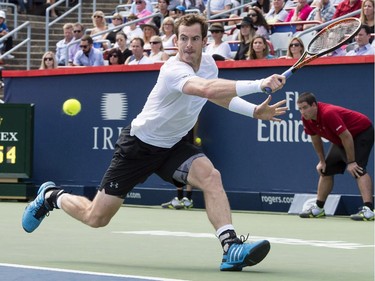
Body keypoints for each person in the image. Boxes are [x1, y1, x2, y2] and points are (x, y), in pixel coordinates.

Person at [22, 14, 287, 272]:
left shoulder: (208, 66)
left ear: (204, 41)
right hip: (139, 146)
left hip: (173, 145)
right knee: (96, 217)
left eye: (194, 39)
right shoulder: (172, 68)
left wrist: (253, 111)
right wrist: (260, 83)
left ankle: (230, 247)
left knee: (211, 176)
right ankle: (51, 197)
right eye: (183, 38)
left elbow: (216, 97)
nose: (187, 45)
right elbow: (206, 89)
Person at [297, 92, 374, 221]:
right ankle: (318, 209)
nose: (302, 112)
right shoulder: (306, 119)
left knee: (358, 169)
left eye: (305, 107)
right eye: (300, 109)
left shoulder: (328, 113)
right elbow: (316, 139)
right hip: (342, 139)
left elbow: (347, 136)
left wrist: (351, 162)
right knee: (326, 170)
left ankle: (369, 210)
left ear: (314, 105)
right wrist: (322, 161)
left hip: (362, 132)